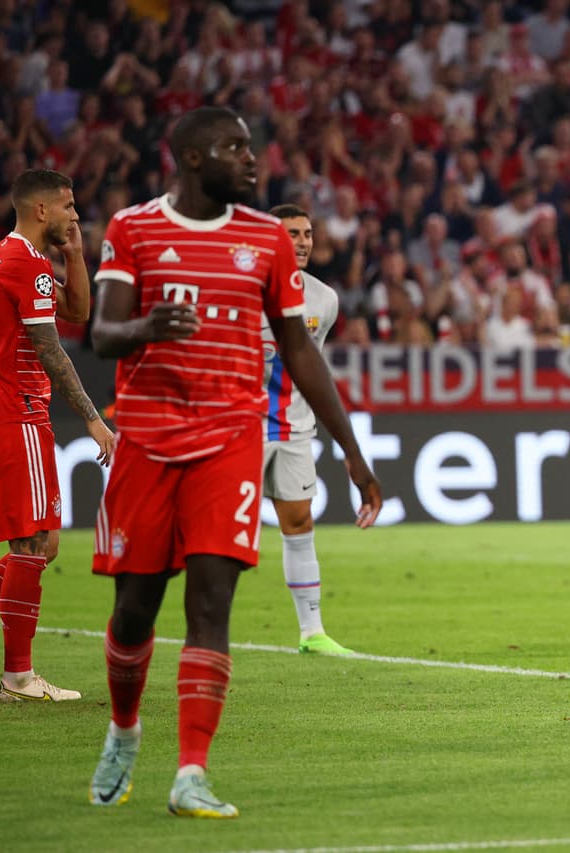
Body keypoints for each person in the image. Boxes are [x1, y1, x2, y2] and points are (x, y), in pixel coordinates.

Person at [87, 107, 383, 819]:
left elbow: (301, 350)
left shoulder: (264, 239)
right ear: (190, 157)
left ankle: (192, 772)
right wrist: (144, 328)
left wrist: (352, 450)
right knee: (134, 611)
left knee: (210, 604)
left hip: (230, 441)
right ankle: (125, 728)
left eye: (251, 147)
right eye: (233, 147)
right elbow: (100, 333)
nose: (250, 159)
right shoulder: (133, 229)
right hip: (149, 441)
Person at [0, 168, 115, 703]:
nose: (75, 216)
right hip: (16, 415)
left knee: (42, 544)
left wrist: (77, 253)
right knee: (33, 543)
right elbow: (53, 350)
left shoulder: (5, 256)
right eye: (68, 207)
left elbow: (78, 311)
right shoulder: (25, 264)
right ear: (41, 211)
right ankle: (18, 679)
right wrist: (92, 418)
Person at [261, 203, 352, 655]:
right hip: (241, 428)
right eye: (292, 233)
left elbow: (309, 364)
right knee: (215, 534)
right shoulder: (242, 292)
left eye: (308, 233)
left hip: (295, 428)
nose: (302, 241)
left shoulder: (324, 299)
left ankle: (312, 632)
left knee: (299, 522)